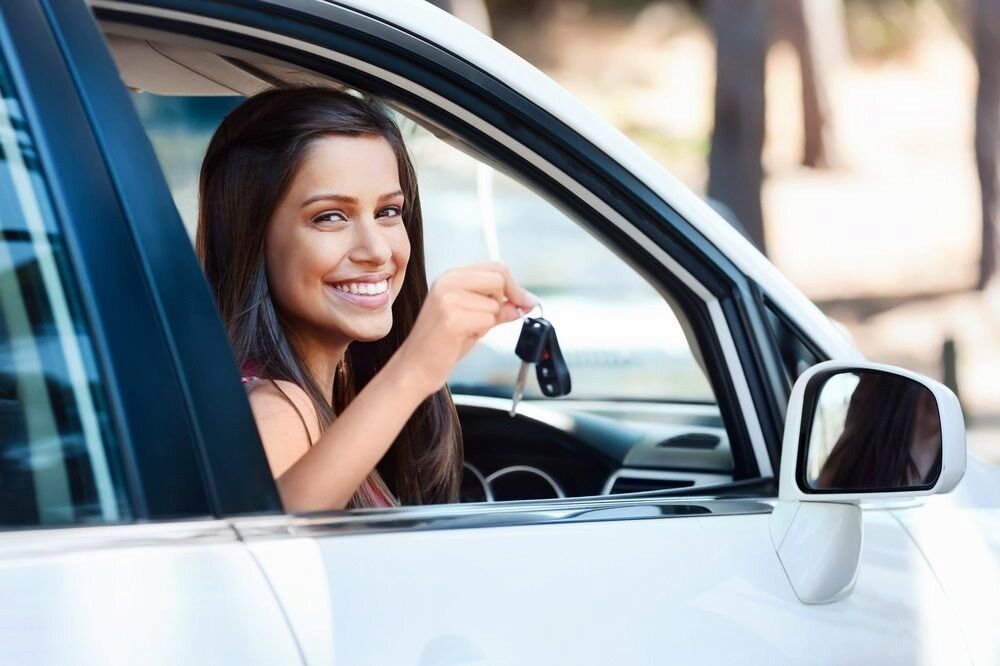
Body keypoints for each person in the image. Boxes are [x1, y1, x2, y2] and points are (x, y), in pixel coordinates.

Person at [196, 86, 536, 512]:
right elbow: (271, 553)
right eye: (330, 217)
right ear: (252, 237)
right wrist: (415, 368)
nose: (376, 250)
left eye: (388, 212)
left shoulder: (329, 393)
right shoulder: (279, 407)